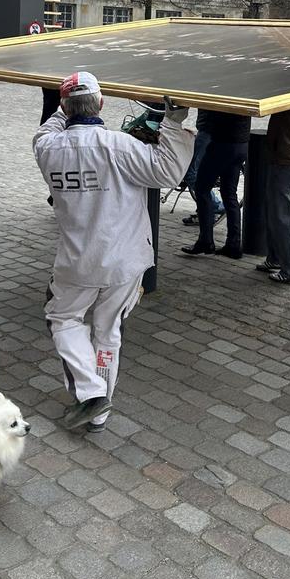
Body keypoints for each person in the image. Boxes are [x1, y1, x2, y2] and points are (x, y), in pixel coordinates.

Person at [34, 71, 194, 431]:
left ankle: (91, 395)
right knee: (108, 331)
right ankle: (99, 407)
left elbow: (50, 125)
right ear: (102, 103)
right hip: (125, 260)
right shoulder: (119, 147)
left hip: (77, 262)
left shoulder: (46, 147)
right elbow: (168, 171)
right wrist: (173, 121)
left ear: (62, 106)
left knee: (62, 319)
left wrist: (68, 105)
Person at [182, 110, 249, 259]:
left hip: (222, 143)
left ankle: (206, 240)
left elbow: (212, 118)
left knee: (202, 189)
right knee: (230, 193)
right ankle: (234, 244)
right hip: (241, 143)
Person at [258, 106, 290, 284]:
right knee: (275, 214)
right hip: (289, 161)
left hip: (286, 163)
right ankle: (275, 258)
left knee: (282, 219)